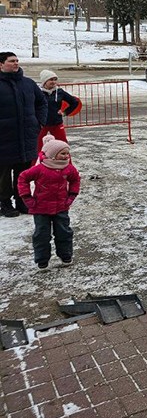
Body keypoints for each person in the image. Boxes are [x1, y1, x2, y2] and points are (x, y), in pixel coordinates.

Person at [18, 134, 80, 269]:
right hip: (40, 208)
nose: (66, 156)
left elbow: (75, 179)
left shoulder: (68, 168)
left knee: (64, 232)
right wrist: (26, 197)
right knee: (41, 234)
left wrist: (71, 196)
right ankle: (42, 259)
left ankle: (66, 255)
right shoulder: (40, 169)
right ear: (52, 154)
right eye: (62, 153)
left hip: (61, 206)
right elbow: (23, 177)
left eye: (67, 154)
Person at [0, 52, 47, 218]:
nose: (16, 63)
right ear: (1, 65)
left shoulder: (28, 83)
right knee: (3, 174)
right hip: (4, 139)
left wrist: (39, 122)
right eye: (11, 61)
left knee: (23, 173)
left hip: (26, 137)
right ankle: (5, 204)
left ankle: (22, 202)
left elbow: (41, 103)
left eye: (17, 61)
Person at [37, 70, 80, 150]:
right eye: (51, 80)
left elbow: (74, 102)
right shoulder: (37, 92)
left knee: (63, 145)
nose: (53, 82)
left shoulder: (59, 92)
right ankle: (37, 162)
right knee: (38, 146)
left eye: (55, 79)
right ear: (44, 81)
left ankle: (66, 162)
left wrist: (65, 112)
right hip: (41, 124)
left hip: (56, 123)